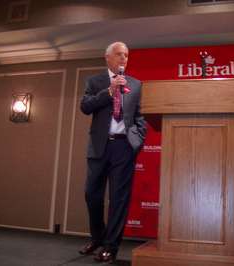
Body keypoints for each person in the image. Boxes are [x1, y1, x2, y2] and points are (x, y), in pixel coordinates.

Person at [79, 41, 147, 263]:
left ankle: (111, 246)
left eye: (126, 55)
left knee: (118, 199)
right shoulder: (95, 81)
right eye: (119, 54)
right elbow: (86, 106)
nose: (123, 59)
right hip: (99, 147)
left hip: (123, 147)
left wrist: (135, 141)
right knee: (92, 195)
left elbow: (139, 117)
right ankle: (97, 238)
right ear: (107, 57)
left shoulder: (136, 84)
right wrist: (109, 92)